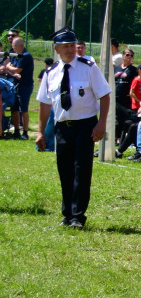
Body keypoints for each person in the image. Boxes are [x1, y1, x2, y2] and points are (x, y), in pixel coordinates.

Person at [35, 28, 111, 228]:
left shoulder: (88, 67)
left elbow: (104, 95)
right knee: (65, 171)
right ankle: (67, 214)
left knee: (81, 170)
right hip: (62, 127)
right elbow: (44, 104)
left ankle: (77, 216)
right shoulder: (51, 73)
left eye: (72, 45)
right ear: (57, 49)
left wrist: (101, 123)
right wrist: (40, 131)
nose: (70, 50)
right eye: (65, 46)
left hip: (85, 125)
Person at [3, 36, 35, 139]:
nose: (12, 46)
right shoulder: (14, 55)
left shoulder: (26, 56)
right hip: (14, 84)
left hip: (24, 86)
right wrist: (11, 69)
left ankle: (25, 132)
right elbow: (13, 71)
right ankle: (16, 131)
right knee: (14, 109)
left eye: (13, 45)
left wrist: (8, 66)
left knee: (24, 110)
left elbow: (17, 70)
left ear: (16, 45)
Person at [114, 48, 139, 148]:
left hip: (126, 98)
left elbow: (136, 82)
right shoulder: (116, 68)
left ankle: (123, 139)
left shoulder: (133, 70)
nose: (129, 57)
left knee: (125, 120)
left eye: (131, 56)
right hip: (116, 98)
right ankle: (115, 139)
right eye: (127, 55)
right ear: (123, 56)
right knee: (116, 120)